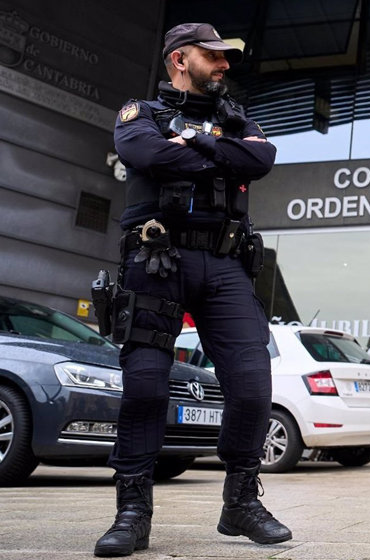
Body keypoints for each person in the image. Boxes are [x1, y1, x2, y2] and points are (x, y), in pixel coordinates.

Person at [93, 23, 290, 557]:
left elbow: (262, 161)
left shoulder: (237, 120)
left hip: (226, 265)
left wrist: (203, 139)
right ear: (181, 59)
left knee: (252, 384)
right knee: (147, 387)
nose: (225, 64)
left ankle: (241, 504)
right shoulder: (141, 116)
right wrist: (224, 153)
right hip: (158, 259)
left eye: (227, 56)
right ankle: (132, 513)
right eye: (214, 56)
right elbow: (153, 158)